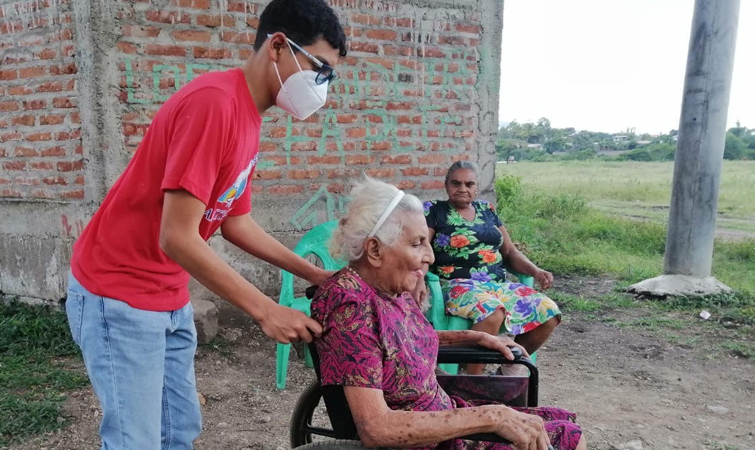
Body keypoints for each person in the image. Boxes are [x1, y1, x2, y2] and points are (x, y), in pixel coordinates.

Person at [64, 1, 346, 448]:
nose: (322, 85)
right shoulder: (215, 104)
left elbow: (236, 221)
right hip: (118, 294)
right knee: (134, 440)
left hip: (168, 295)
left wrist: (312, 273)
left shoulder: (248, 117)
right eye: (320, 68)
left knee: (178, 432)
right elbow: (176, 236)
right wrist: (265, 309)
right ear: (278, 47)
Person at [312, 179, 585, 450]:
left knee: (560, 426)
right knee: (565, 438)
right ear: (375, 250)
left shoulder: (386, 288)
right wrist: (492, 416)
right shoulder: (351, 307)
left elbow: (403, 340)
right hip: (428, 441)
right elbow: (376, 428)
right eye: (418, 243)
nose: (430, 256)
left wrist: (474, 337)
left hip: (441, 412)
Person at [415, 161, 561, 376]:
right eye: (456, 183)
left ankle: (506, 370)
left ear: (477, 187)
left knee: (549, 313)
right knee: (492, 312)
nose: (462, 189)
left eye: (469, 184)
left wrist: (535, 271)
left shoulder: (487, 209)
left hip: (496, 285)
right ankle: (475, 380)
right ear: (446, 185)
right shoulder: (434, 210)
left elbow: (509, 252)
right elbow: (422, 250)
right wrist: (419, 278)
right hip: (456, 285)